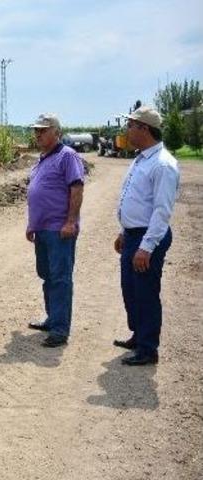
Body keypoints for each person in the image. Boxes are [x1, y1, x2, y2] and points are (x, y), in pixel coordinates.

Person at [113, 105, 180, 366]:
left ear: (144, 129)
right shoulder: (141, 158)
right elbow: (137, 201)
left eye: (131, 126)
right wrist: (124, 231)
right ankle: (139, 335)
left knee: (145, 292)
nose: (127, 130)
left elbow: (162, 211)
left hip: (147, 237)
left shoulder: (164, 165)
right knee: (130, 289)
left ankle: (148, 348)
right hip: (133, 235)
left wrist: (146, 247)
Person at [24, 114, 85, 348]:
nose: (38, 134)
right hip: (42, 230)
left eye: (43, 130)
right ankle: (52, 318)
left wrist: (71, 222)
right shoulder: (43, 158)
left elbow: (77, 189)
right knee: (47, 276)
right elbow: (38, 194)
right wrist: (32, 224)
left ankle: (60, 329)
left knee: (60, 278)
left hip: (60, 230)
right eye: (36, 130)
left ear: (56, 132)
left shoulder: (67, 156)